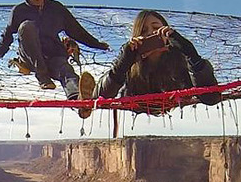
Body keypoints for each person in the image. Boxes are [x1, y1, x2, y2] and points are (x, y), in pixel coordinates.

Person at [0, 0, 109, 98]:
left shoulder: (56, 9)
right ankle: (42, 76)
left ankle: (78, 100)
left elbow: (76, 30)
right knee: (27, 26)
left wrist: (98, 44)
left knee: (66, 71)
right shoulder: (19, 10)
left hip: (53, 56)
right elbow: (8, 34)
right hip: (30, 59)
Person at [86, 9, 220, 115]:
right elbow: (101, 100)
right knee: (93, 96)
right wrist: (122, 66)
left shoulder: (181, 62)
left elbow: (211, 98)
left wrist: (192, 55)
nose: (151, 33)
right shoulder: (129, 62)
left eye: (156, 29)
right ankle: (80, 98)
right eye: (144, 31)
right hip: (136, 108)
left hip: (171, 111)